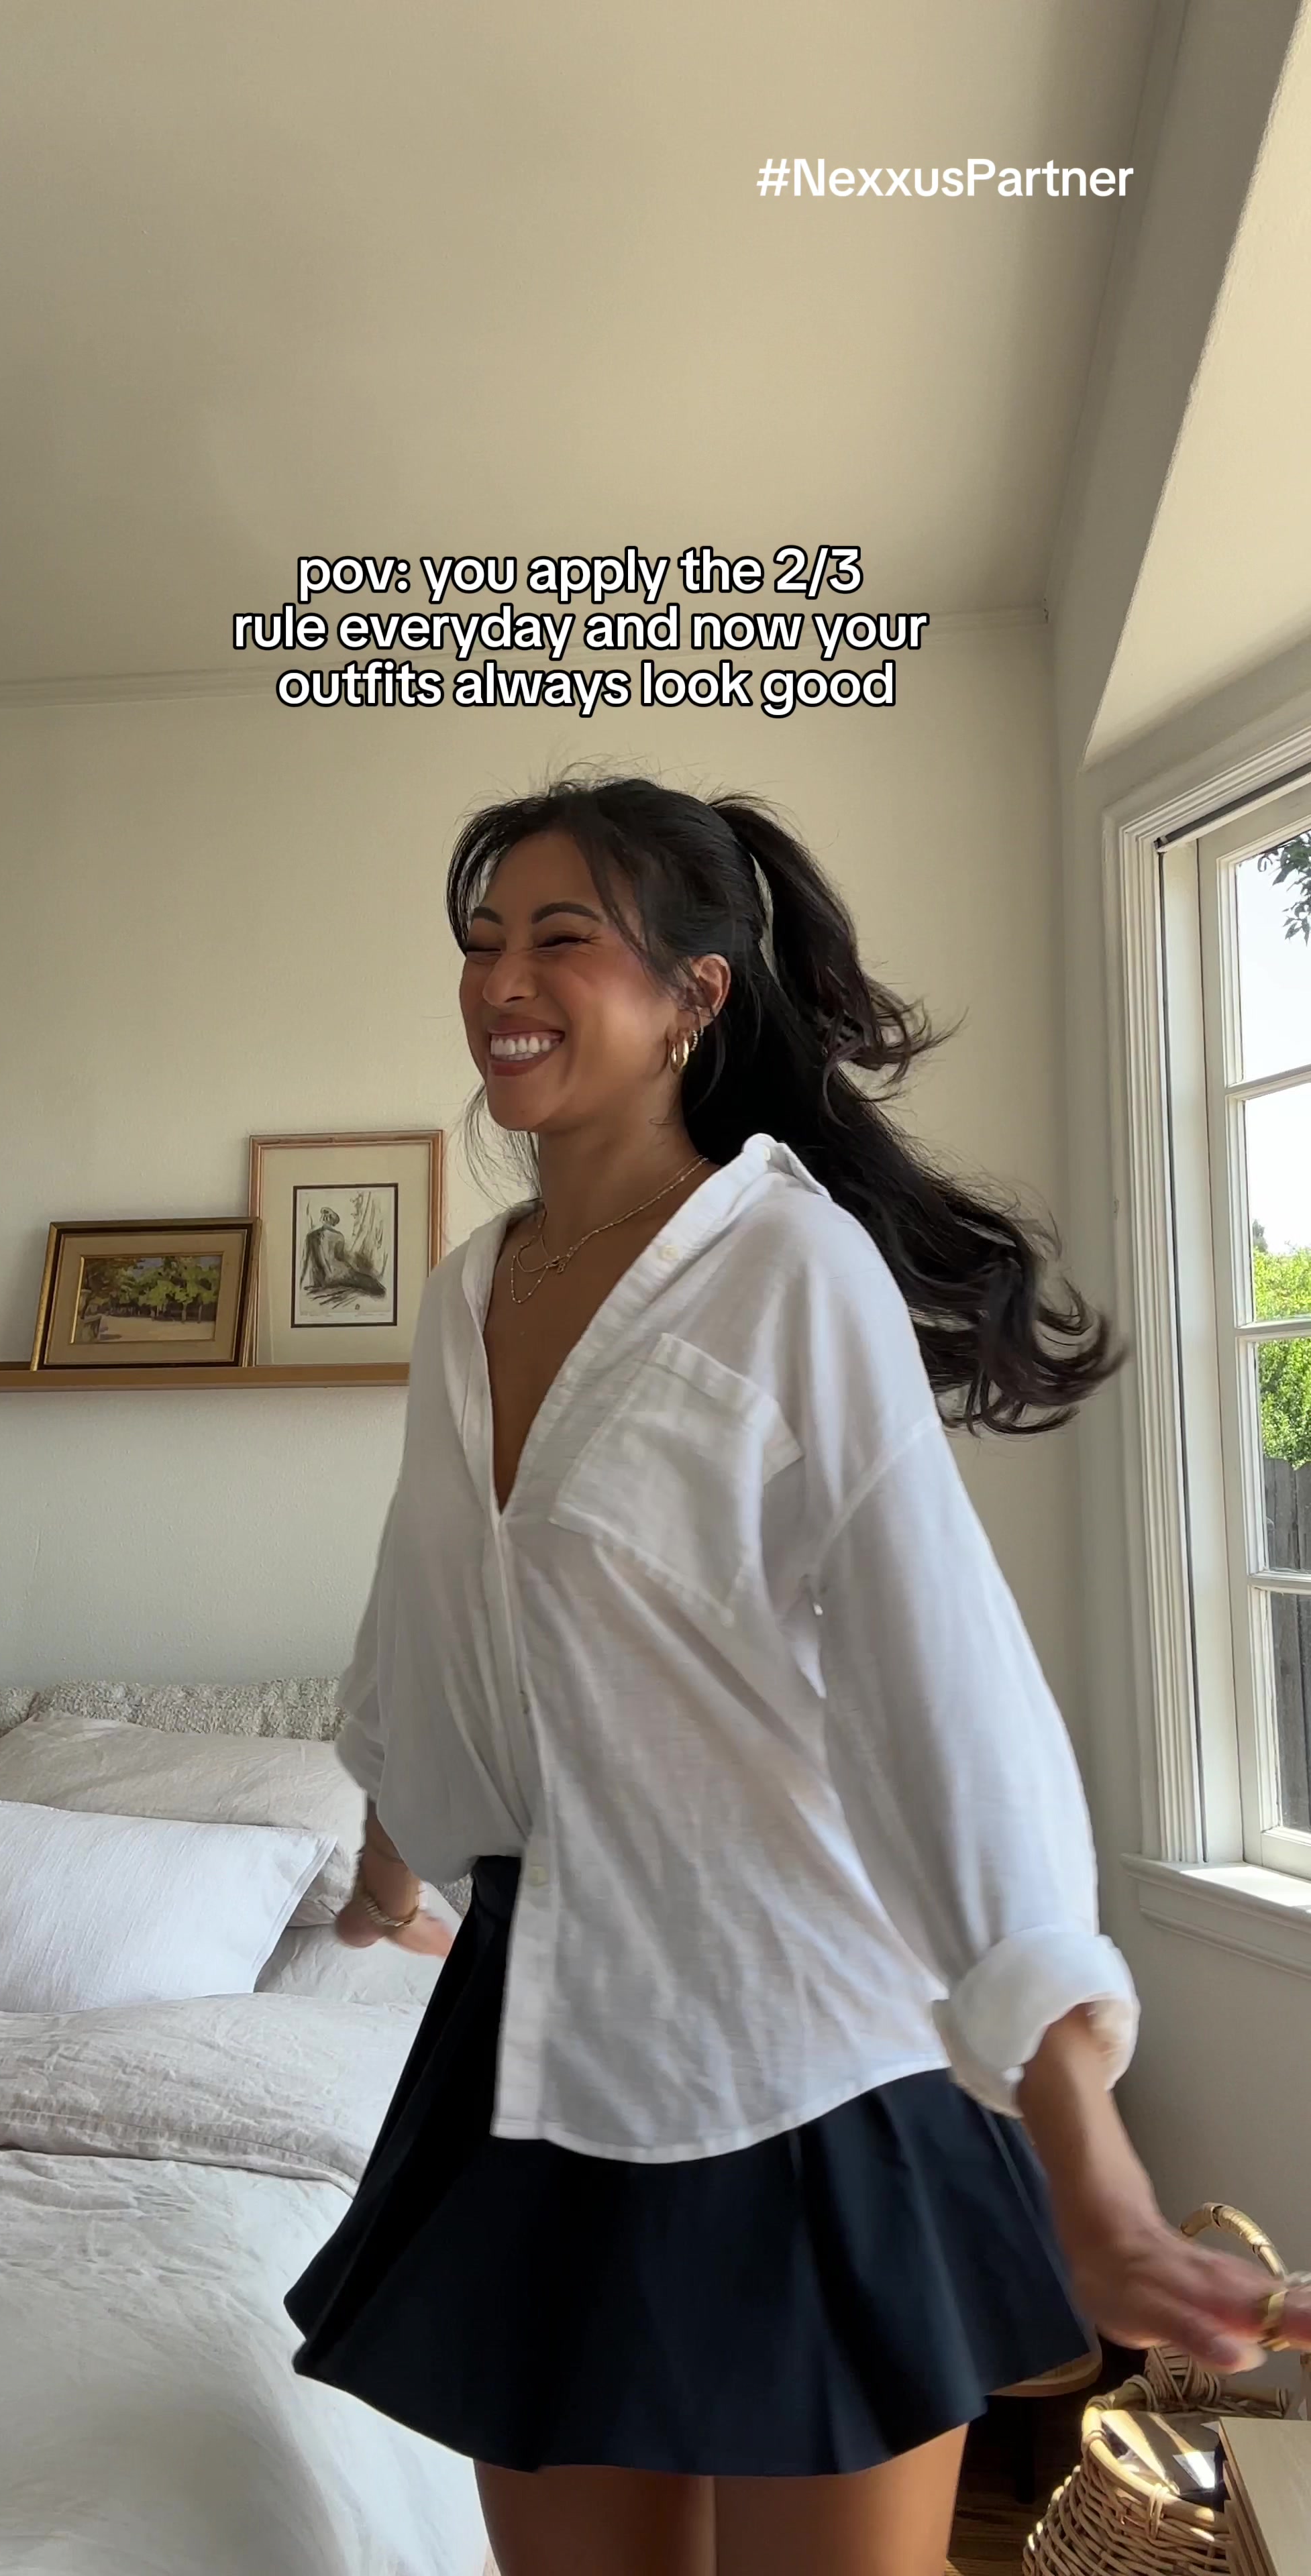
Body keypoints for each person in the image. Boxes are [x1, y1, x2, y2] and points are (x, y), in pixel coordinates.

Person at [285, 773, 1311, 2576]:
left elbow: (940, 1688)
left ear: (697, 994)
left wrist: (1082, 2145)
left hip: (801, 2049)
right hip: (537, 2035)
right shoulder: (464, 1291)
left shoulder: (787, 1267)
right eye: (481, 941)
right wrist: (389, 1866)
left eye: (560, 939)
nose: (501, 981)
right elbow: (436, 1611)